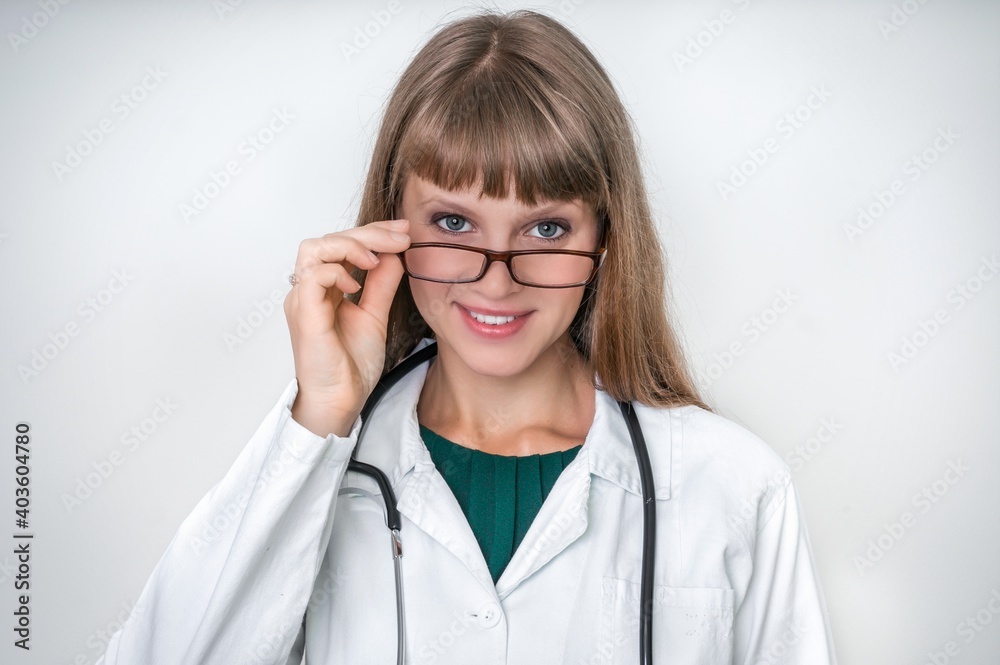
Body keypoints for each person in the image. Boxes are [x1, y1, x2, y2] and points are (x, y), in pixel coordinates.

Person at [97, 8, 837, 665]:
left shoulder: (734, 485)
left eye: (546, 227)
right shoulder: (319, 460)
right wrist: (318, 416)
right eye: (454, 223)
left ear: (607, 239)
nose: (496, 278)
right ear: (392, 225)